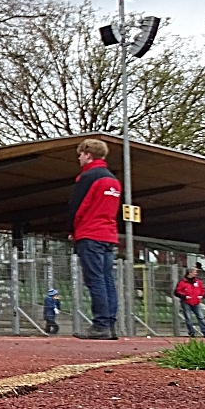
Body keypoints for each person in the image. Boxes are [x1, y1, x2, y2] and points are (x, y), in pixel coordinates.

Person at [68, 137, 122, 339]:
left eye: (80, 155)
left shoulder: (88, 177)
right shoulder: (113, 180)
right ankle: (110, 323)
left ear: (87, 154)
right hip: (108, 234)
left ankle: (100, 324)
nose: (80, 159)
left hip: (90, 233)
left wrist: (71, 228)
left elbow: (77, 206)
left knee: (95, 279)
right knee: (107, 279)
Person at [175, 267, 205, 338]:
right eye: (195, 272)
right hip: (186, 301)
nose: (196, 273)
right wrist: (184, 296)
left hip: (196, 302)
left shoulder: (198, 281)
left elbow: (203, 289)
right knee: (188, 318)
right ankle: (191, 332)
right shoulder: (182, 282)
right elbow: (177, 292)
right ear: (190, 273)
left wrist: (201, 295)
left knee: (201, 317)